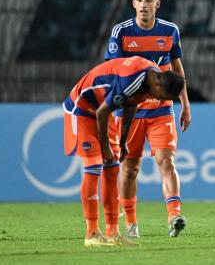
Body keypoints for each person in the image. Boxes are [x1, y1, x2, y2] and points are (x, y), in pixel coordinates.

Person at [63, 56, 185, 247]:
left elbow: (131, 105)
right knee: (95, 165)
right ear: (159, 85)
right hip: (82, 109)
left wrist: (122, 141)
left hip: (103, 111)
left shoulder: (150, 80)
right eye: (161, 97)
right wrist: (105, 148)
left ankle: (113, 232)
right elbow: (102, 112)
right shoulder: (131, 80)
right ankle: (92, 233)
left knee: (112, 168)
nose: (159, 100)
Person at [105, 0, 191, 239]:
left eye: (149, 0)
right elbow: (113, 72)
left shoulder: (169, 31)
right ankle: (131, 224)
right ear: (133, 3)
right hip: (130, 113)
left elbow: (177, 70)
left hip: (161, 110)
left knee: (167, 161)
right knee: (130, 168)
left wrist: (185, 103)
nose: (144, 5)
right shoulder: (121, 32)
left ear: (157, 3)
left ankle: (174, 215)